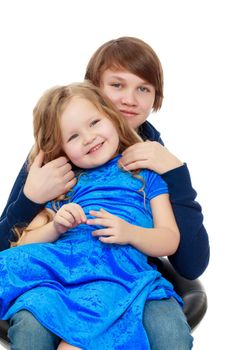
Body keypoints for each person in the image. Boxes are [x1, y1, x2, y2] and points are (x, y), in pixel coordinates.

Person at [0, 37, 208, 349]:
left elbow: (190, 262)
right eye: (117, 85)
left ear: (155, 98)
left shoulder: (151, 162)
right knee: (33, 326)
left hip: (127, 272)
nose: (130, 100)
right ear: (94, 89)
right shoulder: (56, 161)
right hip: (63, 270)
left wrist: (177, 174)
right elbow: (12, 246)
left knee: (165, 331)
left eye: (144, 89)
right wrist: (29, 199)